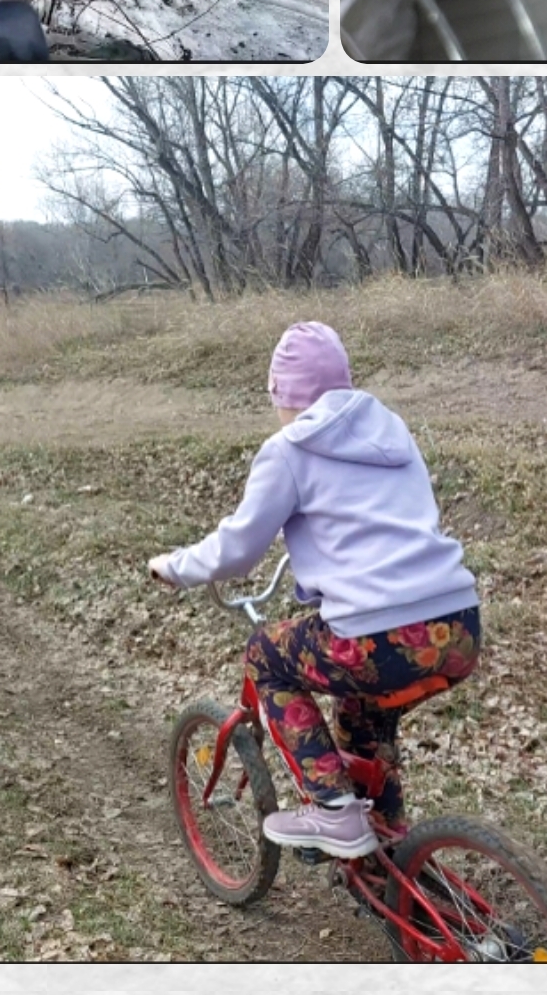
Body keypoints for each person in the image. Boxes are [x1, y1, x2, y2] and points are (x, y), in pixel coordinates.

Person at [148, 321, 482, 859]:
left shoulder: (290, 448)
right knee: (360, 718)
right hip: (459, 625)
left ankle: (334, 811)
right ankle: (392, 857)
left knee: (265, 654)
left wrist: (175, 567)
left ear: (283, 395)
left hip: (378, 637)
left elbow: (238, 549)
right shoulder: (390, 428)